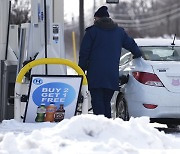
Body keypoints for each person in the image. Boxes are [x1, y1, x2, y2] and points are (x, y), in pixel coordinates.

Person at [78, 6, 142, 118]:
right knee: (106, 102)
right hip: (111, 76)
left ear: (97, 18)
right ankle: (106, 125)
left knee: (98, 103)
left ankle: (101, 127)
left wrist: (81, 70)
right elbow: (131, 45)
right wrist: (138, 54)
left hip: (95, 75)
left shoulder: (92, 32)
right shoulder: (119, 32)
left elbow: (84, 53)